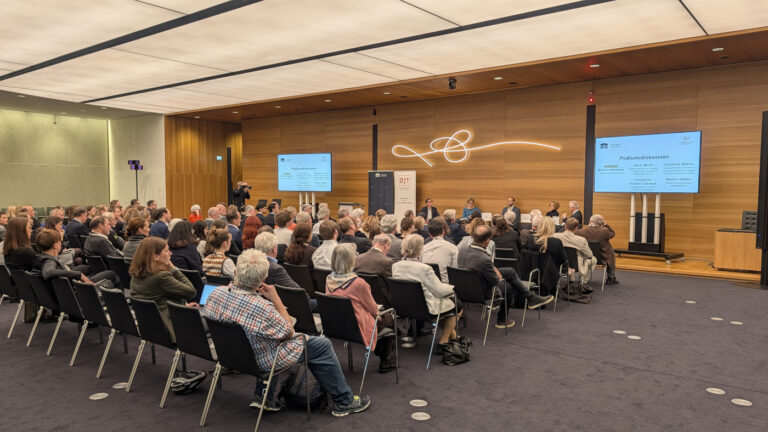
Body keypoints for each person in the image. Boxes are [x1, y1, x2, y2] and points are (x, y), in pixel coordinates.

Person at [201, 249, 371, 415]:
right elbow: (288, 331)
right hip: (261, 358)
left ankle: (264, 398)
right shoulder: (262, 307)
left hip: (230, 354)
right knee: (322, 344)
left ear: (236, 271)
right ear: (264, 278)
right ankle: (345, 401)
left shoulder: (215, 293)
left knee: (264, 337)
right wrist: (276, 300)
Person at [458, 224, 554, 328]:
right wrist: (497, 274)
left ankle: (530, 298)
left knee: (510, 271)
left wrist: (493, 268)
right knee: (508, 287)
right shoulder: (484, 259)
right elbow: (497, 281)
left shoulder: (463, 249)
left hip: (465, 288)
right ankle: (502, 320)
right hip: (480, 292)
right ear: (487, 240)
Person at [327, 243, 396, 372]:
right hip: (357, 327)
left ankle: (382, 352)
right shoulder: (358, 283)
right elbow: (373, 310)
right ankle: (385, 360)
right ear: (351, 260)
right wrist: (378, 313)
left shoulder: (328, 278)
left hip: (337, 325)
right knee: (388, 317)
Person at [392, 235, 460, 345]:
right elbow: (440, 291)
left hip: (403, 307)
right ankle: (443, 342)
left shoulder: (395, 266)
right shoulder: (425, 268)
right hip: (424, 308)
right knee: (456, 305)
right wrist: (452, 289)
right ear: (420, 249)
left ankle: (455, 336)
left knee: (446, 307)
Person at [129, 236, 195, 342]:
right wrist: (173, 269)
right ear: (156, 256)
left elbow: (157, 299)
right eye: (167, 251)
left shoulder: (136, 273)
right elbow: (191, 292)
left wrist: (182, 305)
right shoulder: (161, 277)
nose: (171, 253)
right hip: (169, 327)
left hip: (149, 326)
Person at [33, 229, 118, 286]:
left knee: (85, 268)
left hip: (70, 287)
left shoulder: (41, 257)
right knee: (111, 274)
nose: (61, 244)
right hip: (79, 290)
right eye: (60, 242)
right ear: (55, 245)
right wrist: (78, 274)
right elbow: (48, 272)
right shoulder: (49, 261)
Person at [525, 217, 568, 296]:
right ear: (552, 227)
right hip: (549, 274)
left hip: (531, 271)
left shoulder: (531, 239)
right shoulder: (556, 242)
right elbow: (563, 259)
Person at [576, 214, 617, 284]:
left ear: (590, 222)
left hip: (585, 257)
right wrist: (605, 224)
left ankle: (582, 276)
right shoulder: (605, 231)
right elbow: (612, 233)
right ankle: (611, 277)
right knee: (610, 251)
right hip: (602, 258)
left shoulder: (580, 232)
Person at [555, 217, 597, 283]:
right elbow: (589, 255)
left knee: (569, 256)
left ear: (565, 226)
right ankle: (584, 281)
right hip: (576, 265)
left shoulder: (555, 236)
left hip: (558, 264)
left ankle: (571, 279)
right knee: (593, 259)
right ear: (576, 228)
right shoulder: (581, 240)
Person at [421, 218, 458, 283]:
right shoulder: (453, 248)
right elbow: (455, 270)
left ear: (430, 234)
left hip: (426, 286)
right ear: (443, 232)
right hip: (446, 286)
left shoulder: (423, 249)